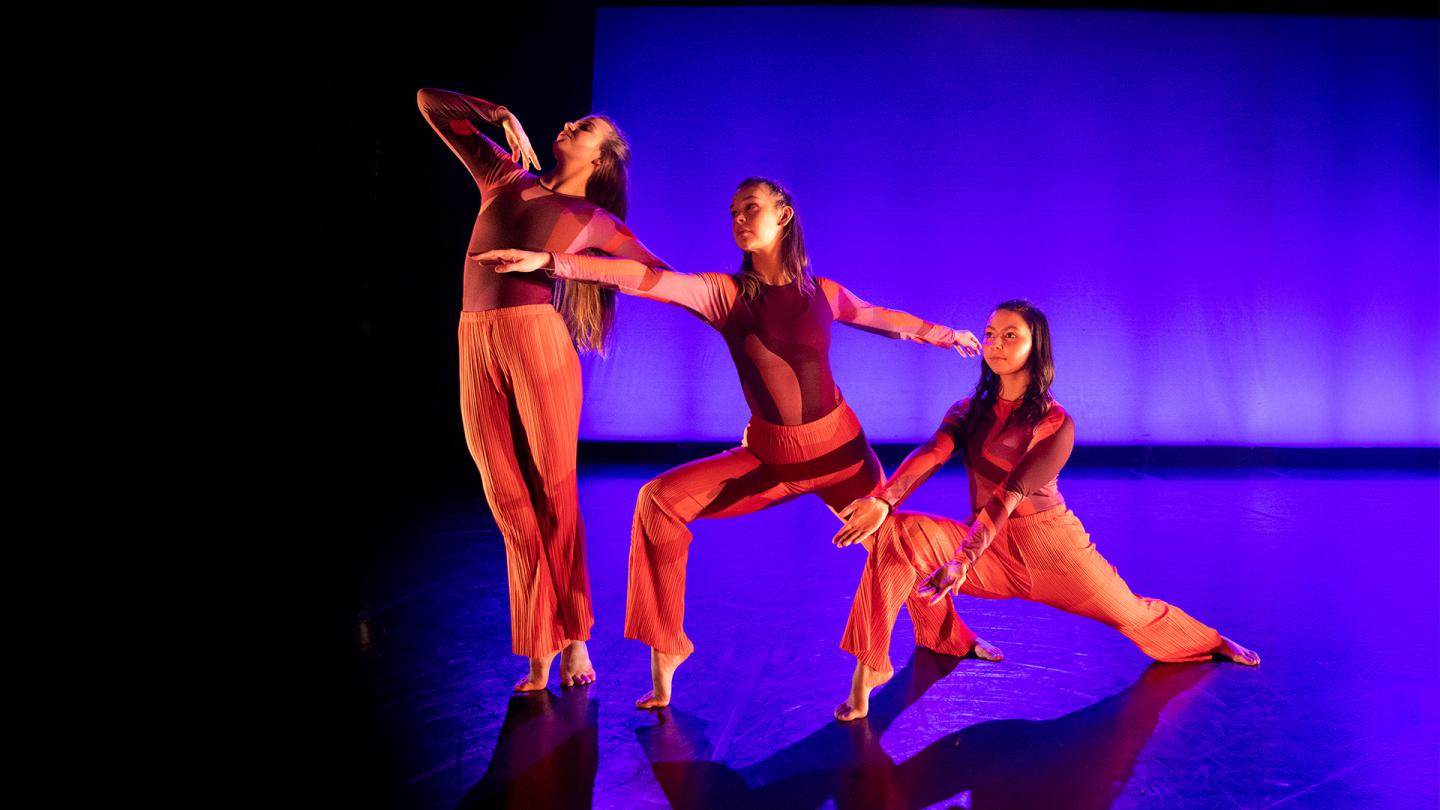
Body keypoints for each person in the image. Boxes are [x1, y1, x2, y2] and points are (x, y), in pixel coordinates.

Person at [473, 177, 1003, 710]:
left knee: (896, 548)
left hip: (843, 457)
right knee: (658, 501)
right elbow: (639, 278)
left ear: (785, 215)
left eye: (751, 209)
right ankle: (667, 646)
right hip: (770, 460)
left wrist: (944, 334)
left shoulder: (824, 293)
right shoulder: (722, 293)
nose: (739, 220)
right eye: (732, 213)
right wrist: (551, 263)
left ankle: (946, 634)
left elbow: (882, 319)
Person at [829, 299, 1260, 721]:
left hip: (1054, 552)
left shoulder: (1055, 423)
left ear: (1036, 346)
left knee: (1132, 613)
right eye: (991, 334)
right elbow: (932, 453)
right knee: (896, 536)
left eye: (1010, 336)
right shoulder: (966, 410)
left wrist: (961, 559)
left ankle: (1210, 640)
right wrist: (884, 500)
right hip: (988, 546)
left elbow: (1011, 493)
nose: (995, 344)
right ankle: (876, 667)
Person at [417, 87, 670, 691]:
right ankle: (539, 640)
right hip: (473, 339)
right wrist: (498, 114)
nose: (566, 123)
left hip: (539, 340)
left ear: (602, 161)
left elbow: (654, 275)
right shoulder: (504, 177)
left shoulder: (595, 221)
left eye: (583, 127)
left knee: (555, 493)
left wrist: (559, 266)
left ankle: (573, 637)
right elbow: (430, 102)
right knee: (507, 496)